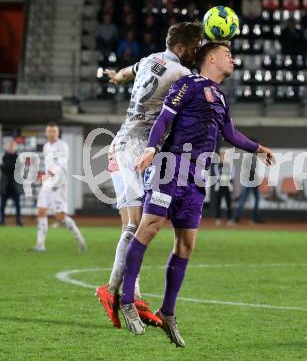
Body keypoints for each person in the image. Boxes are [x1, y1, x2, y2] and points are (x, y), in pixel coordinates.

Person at [119, 42, 274, 346]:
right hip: (170, 166)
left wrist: (256, 148)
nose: (232, 58)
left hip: (197, 177)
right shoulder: (187, 84)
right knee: (148, 228)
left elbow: (229, 134)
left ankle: (167, 312)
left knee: (186, 245)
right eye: (227, 53)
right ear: (211, 57)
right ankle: (126, 300)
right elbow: (164, 118)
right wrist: (152, 148)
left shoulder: (221, 97)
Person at [95, 22, 203, 330]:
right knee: (135, 225)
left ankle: (135, 294)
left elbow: (127, 71)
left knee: (136, 225)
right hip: (134, 149)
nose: (196, 52)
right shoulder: (180, 74)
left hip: (128, 146)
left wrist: (114, 76)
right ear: (182, 48)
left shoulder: (150, 59)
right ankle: (111, 287)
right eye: (195, 46)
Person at [32, 123, 86, 252]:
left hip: (59, 183)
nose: (51, 134)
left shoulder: (62, 146)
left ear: (57, 133)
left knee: (60, 216)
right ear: (46, 133)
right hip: (48, 183)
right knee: (41, 211)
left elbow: (59, 167)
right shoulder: (46, 146)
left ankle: (80, 238)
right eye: (49, 131)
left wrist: (45, 176)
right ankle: (40, 244)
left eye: (53, 131)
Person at [233, 150, 265, 224]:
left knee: (251, 199)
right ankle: (237, 218)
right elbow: (251, 171)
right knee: (245, 199)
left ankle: (238, 218)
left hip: (250, 180)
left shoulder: (249, 157)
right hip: (251, 181)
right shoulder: (251, 157)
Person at [0, 140, 22, 226]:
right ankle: (2, 221)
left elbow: (12, 168)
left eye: (13, 146)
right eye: (9, 146)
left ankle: (18, 222)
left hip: (15, 186)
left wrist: (4, 167)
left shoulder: (18, 158)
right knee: (2, 206)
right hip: (4, 186)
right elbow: (6, 169)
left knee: (17, 205)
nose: (11, 147)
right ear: (6, 147)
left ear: (15, 148)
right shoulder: (3, 157)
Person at [214, 150, 235, 226]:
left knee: (229, 204)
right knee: (218, 203)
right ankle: (218, 219)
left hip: (228, 186)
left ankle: (229, 220)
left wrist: (225, 178)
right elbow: (217, 176)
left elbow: (232, 175)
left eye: (224, 156)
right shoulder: (217, 166)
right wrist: (224, 178)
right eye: (222, 156)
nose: (223, 158)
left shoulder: (230, 166)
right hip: (219, 186)